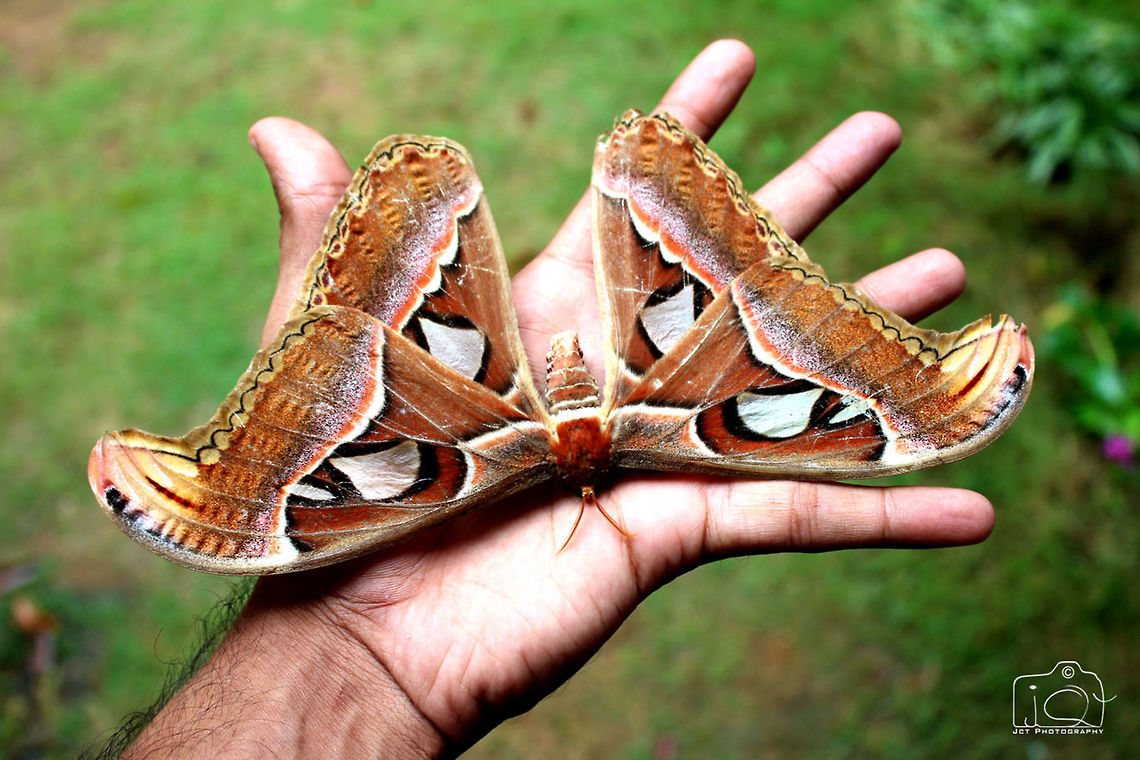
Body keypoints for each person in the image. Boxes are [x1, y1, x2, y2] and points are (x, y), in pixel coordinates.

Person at [119, 40, 994, 758]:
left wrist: (297, 595)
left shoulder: (496, 471)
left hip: (489, 408)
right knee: (786, 426)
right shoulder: (656, 443)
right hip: (653, 384)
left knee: (384, 458)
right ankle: (903, 389)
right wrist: (330, 640)